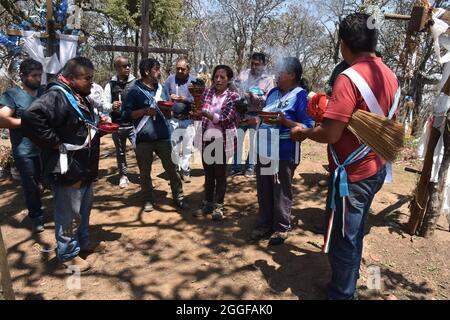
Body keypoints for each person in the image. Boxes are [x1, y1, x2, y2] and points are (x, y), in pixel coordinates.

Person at [291, 13, 399, 300]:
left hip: (353, 175)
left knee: (343, 238)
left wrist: (305, 133)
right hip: (375, 168)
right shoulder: (390, 75)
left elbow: (331, 134)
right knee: (354, 230)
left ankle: (342, 293)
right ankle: (345, 284)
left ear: (343, 44)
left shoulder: (348, 78)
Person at [22, 57, 105, 272]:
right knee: (69, 212)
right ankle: (68, 254)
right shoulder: (56, 95)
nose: (91, 83)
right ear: (70, 78)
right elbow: (32, 117)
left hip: (82, 167)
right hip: (68, 168)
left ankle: (83, 243)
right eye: (87, 79)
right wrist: (55, 142)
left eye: (91, 78)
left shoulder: (76, 95)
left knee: (83, 210)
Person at [250, 57, 314, 245]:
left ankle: (281, 227)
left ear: (292, 75)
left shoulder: (301, 95)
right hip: (264, 148)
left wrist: (285, 122)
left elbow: (307, 126)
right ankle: (264, 224)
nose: (277, 74)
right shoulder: (272, 92)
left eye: (281, 71)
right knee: (264, 188)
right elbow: (264, 116)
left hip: (284, 150)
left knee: (281, 189)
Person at [122, 58, 186, 212]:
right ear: (146, 71)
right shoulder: (134, 91)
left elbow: (168, 115)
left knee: (172, 168)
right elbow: (125, 114)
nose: (159, 71)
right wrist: (144, 111)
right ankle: (148, 200)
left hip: (163, 136)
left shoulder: (162, 89)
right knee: (145, 172)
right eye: (156, 68)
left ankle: (179, 197)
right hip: (144, 138)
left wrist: (167, 110)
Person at [0, 58, 45, 233]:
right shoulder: (12, 95)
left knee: (48, 181)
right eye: (34, 75)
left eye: (40, 75)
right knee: (31, 186)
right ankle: (36, 216)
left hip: (47, 147)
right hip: (25, 150)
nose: (38, 79)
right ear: (22, 75)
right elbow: (2, 120)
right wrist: (25, 123)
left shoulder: (44, 92)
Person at [193, 65, 240, 221]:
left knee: (220, 175)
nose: (218, 80)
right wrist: (196, 112)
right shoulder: (206, 92)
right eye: (216, 77)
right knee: (208, 174)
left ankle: (219, 206)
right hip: (208, 137)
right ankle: (207, 203)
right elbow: (200, 111)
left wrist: (205, 113)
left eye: (222, 77)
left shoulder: (233, 97)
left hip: (222, 140)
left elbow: (226, 118)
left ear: (228, 80)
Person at [231, 52, 275, 177]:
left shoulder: (268, 79)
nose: (254, 67)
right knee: (238, 139)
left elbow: (269, 99)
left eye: (257, 64)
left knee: (253, 141)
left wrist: (254, 96)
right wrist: (237, 89)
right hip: (241, 113)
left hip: (257, 115)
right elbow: (234, 87)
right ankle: (236, 166)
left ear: (263, 65)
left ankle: (250, 167)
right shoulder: (244, 74)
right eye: (252, 64)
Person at [104, 56, 137, 189]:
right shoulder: (110, 85)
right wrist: (112, 106)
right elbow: (104, 104)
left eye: (129, 65)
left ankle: (145, 175)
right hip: (117, 126)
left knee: (139, 149)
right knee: (120, 152)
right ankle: (123, 175)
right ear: (117, 68)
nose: (128, 68)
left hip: (134, 125)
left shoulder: (136, 83)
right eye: (124, 66)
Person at [164, 58, 196, 182]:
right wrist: (169, 98)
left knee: (188, 147)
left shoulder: (194, 81)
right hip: (173, 119)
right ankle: (175, 172)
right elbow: (163, 95)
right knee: (174, 147)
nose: (180, 70)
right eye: (178, 68)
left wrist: (185, 100)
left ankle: (185, 170)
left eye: (183, 69)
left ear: (188, 69)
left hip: (188, 119)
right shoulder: (170, 80)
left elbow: (199, 100)